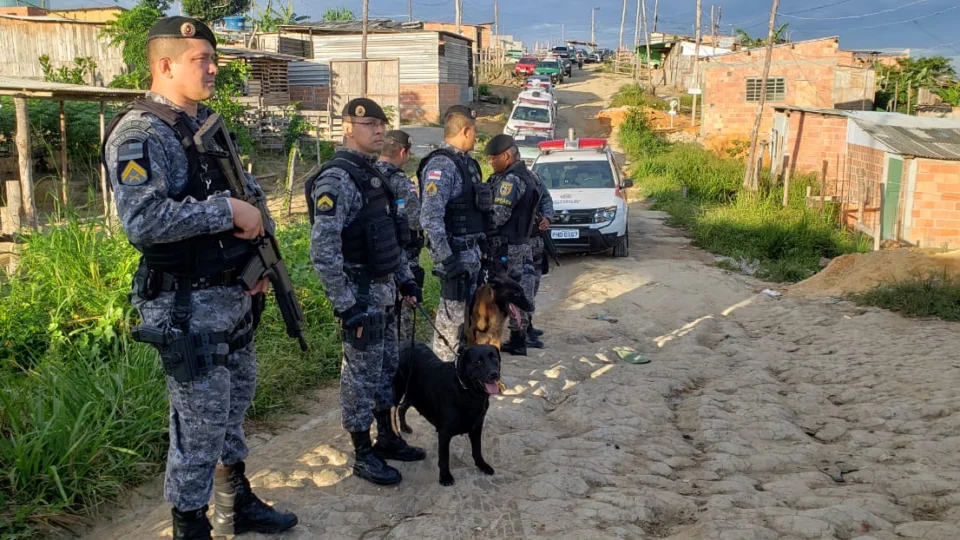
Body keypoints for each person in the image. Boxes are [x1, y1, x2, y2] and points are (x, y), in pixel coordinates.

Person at [102, 17, 297, 540]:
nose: (212, 69)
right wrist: (226, 212)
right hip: (185, 305)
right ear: (165, 65)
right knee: (200, 423)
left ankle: (236, 503)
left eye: (214, 59)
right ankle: (190, 524)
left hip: (232, 292)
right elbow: (143, 221)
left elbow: (246, 190)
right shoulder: (140, 134)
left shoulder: (205, 122)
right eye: (201, 60)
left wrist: (260, 258)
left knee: (234, 405)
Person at [307, 98, 425, 487]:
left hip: (386, 292)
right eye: (370, 124)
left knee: (386, 369)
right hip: (360, 297)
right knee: (360, 378)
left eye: (381, 124)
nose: (379, 131)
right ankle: (362, 453)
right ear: (347, 128)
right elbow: (323, 250)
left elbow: (390, 237)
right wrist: (345, 305)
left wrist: (405, 279)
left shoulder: (374, 174)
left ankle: (387, 437)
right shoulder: (338, 179)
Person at [418, 105, 493, 361]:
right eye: (475, 132)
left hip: (472, 256)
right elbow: (430, 217)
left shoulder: (467, 164)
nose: (476, 137)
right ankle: (443, 372)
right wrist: (447, 259)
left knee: (469, 323)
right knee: (450, 327)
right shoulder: (442, 165)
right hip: (455, 259)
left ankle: (462, 373)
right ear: (465, 130)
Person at [485, 134, 542, 356]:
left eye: (493, 158)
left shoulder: (510, 181)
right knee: (521, 291)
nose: (490, 162)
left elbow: (498, 216)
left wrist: (480, 222)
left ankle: (501, 339)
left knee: (504, 292)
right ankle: (519, 338)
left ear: (507, 156)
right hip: (521, 243)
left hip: (507, 246)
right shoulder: (528, 175)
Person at [375, 130, 424, 350]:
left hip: (377, 259)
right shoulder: (402, 182)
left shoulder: (368, 175)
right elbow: (415, 219)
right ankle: (402, 356)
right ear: (403, 152)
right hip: (404, 258)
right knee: (404, 314)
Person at [528, 174, 555, 340]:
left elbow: (546, 199)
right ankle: (519, 330)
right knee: (523, 287)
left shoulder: (534, 178)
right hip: (516, 244)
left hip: (536, 241)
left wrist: (547, 217)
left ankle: (527, 324)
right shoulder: (506, 179)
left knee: (534, 285)